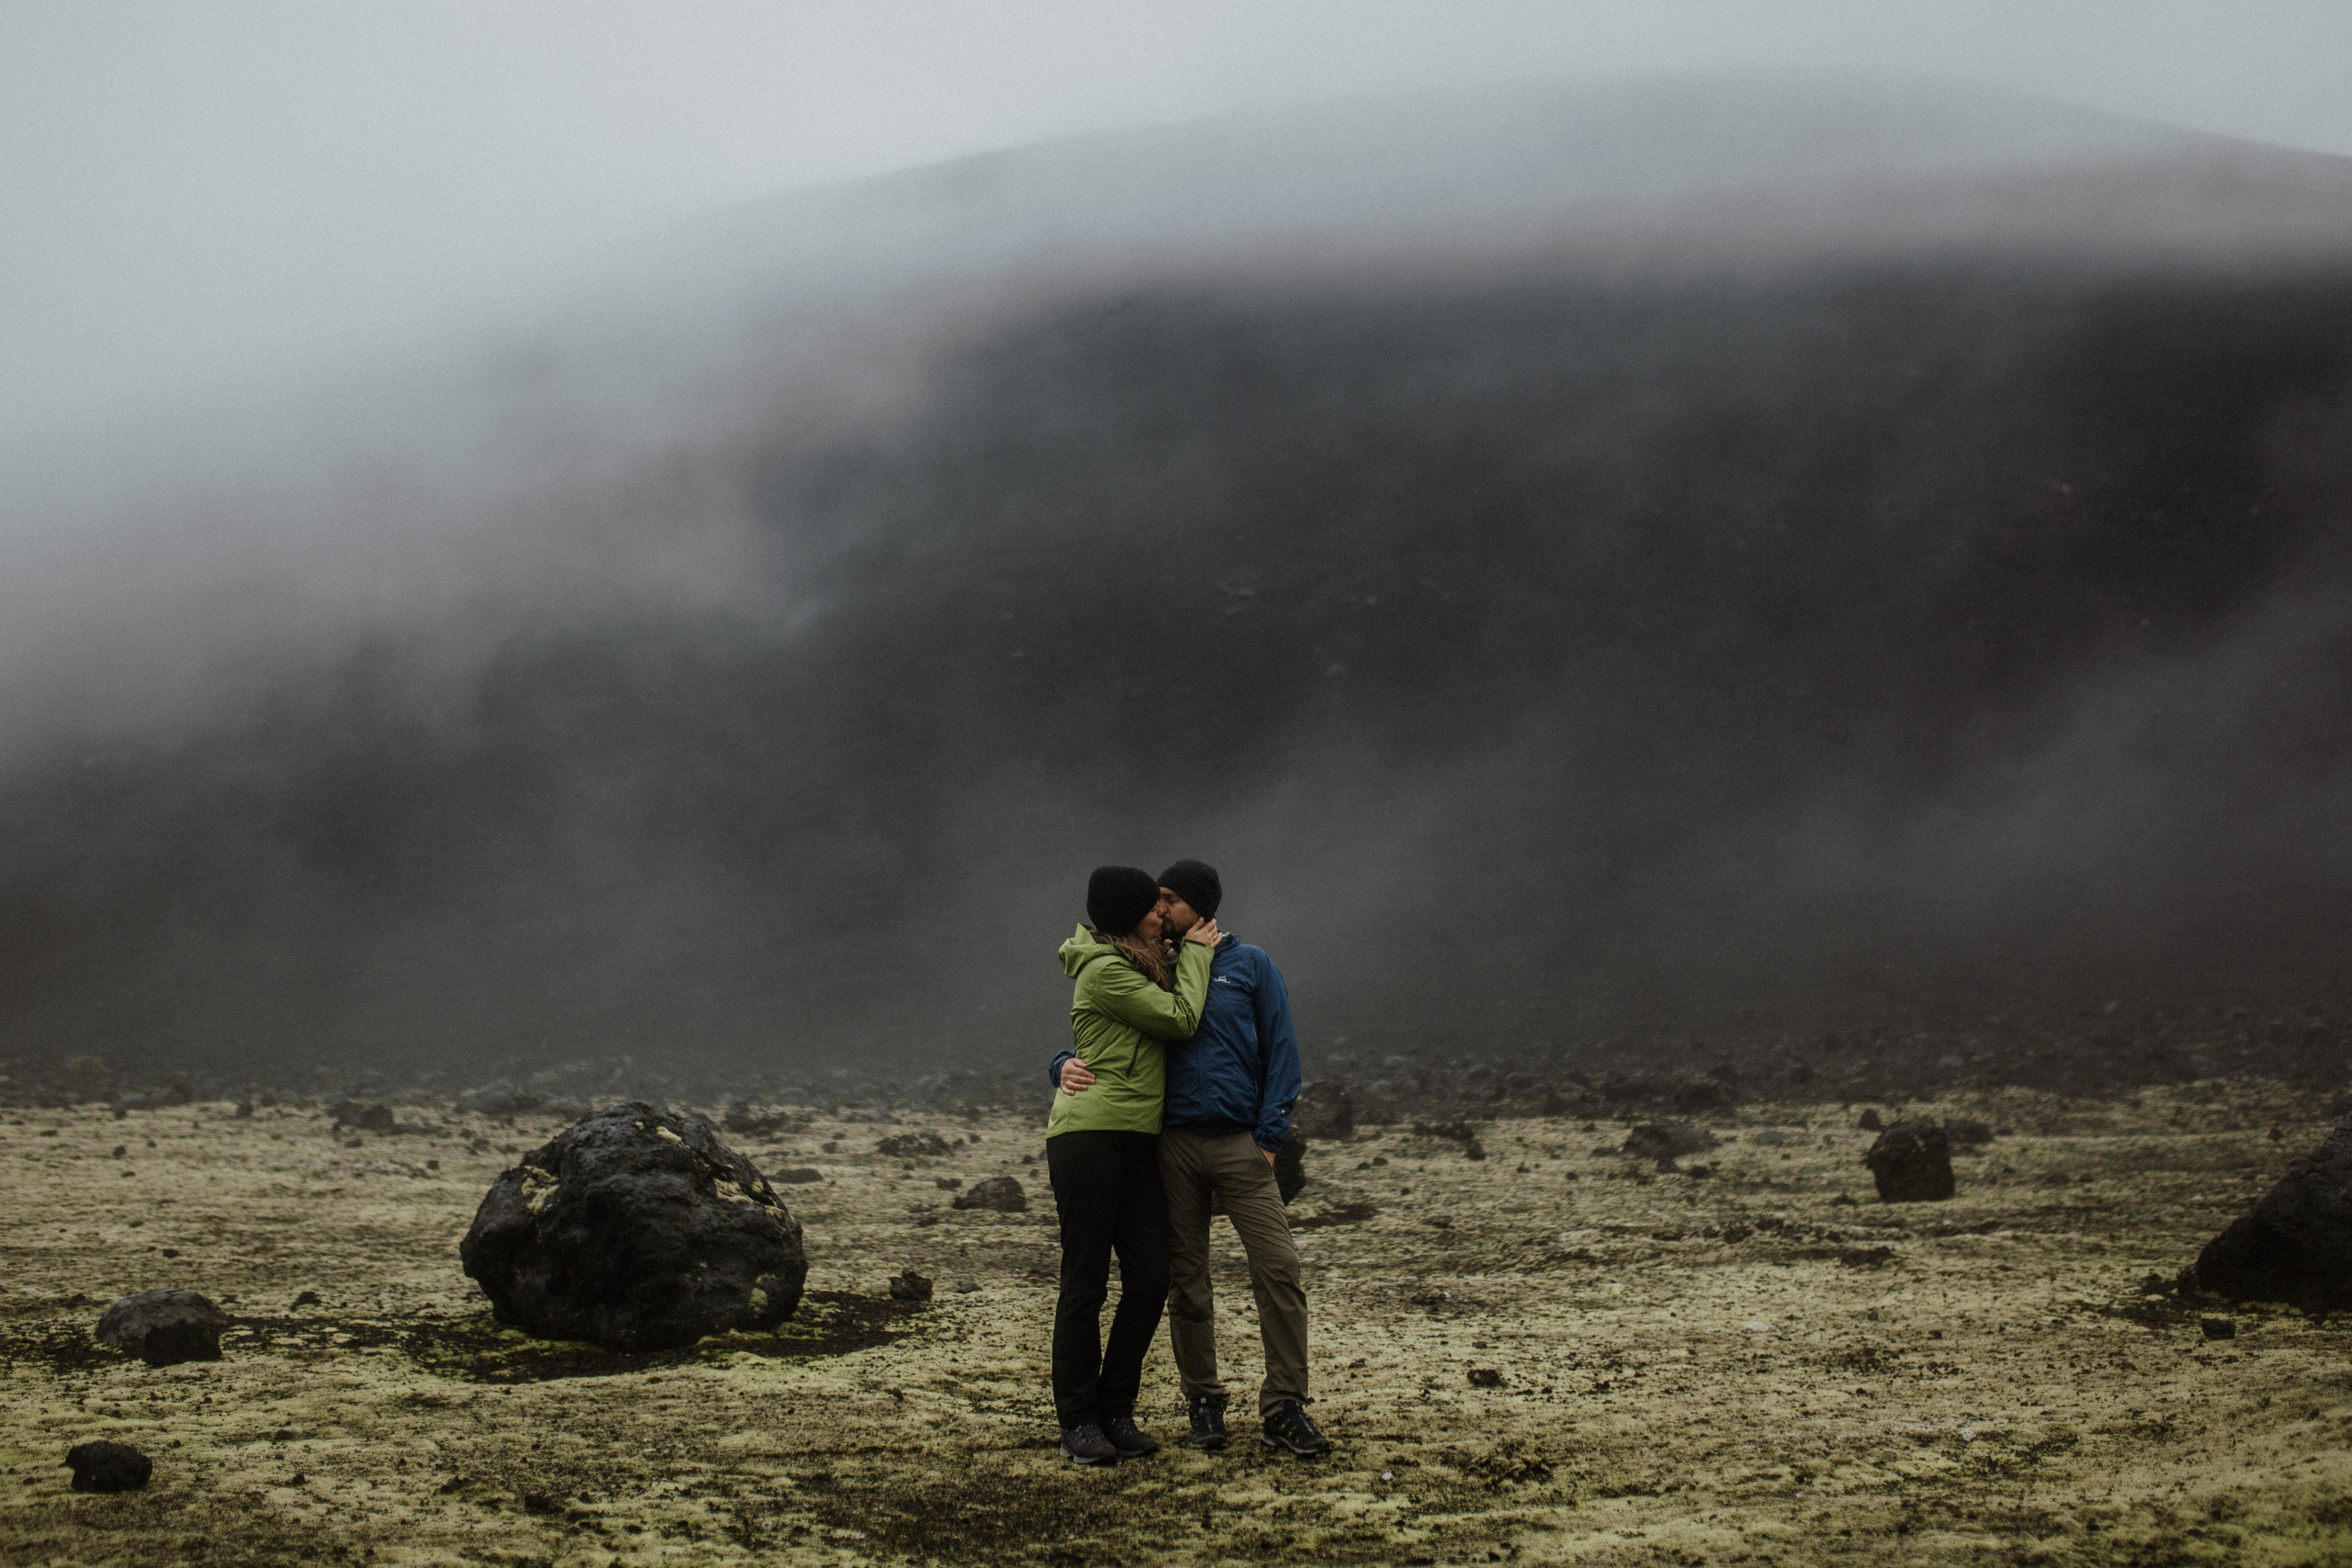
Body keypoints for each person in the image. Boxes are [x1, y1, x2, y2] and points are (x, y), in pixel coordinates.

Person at [1052, 859, 1329, 1457]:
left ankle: (1285, 1405)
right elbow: (1102, 1025)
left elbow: (1283, 1049)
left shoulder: (1250, 964)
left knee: (1279, 1269)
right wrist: (1059, 1062)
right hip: (1169, 1144)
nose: (1160, 909)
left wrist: (1270, 1134)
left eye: (1170, 898)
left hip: (1238, 1141)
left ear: (1198, 905)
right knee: (1185, 1281)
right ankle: (1202, 1401)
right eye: (1155, 900)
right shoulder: (1156, 964)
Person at [1046, 864, 1223, 1465]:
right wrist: (1198, 954)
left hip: (1137, 1138)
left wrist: (1060, 1058)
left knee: (1150, 1276)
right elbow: (1179, 1019)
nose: (1161, 915)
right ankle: (1079, 1420)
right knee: (1086, 1280)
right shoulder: (1105, 970)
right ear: (1128, 917)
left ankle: (1116, 1407)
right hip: (1088, 1136)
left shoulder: (1139, 963)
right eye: (1152, 906)